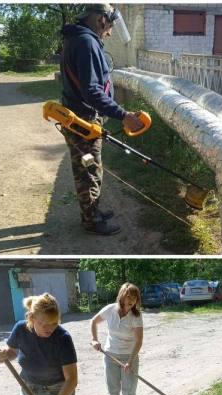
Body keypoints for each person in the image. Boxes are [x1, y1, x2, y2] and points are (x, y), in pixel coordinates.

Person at [60, 4, 145, 235]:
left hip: (81, 119)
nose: (110, 31)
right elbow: (91, 91)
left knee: (90, 167)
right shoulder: (86, 42)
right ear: (101, 20)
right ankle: (91, 220)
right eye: (110, 25)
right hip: (83, 123)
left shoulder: (79, 38)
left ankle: (93, 210)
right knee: (88, 170)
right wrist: (123, 115)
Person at [91, 283, 144, 395]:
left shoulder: (136, 316)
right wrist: (94, 339)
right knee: (112, 392)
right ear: (121, 295)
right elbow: (93, 321)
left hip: (129, 357)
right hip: (110, 356)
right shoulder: (110, 309)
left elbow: (139, 341)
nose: (131, 301)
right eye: (128, 297)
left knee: (129, 392)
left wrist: (130, 361)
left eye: (134, 298)